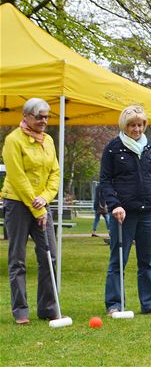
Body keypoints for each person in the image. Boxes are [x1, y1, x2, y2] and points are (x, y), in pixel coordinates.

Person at [99, 105, 151, 316]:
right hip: (123, 214)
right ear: (125, 125)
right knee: (117, 261)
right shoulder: (113, 148)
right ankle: (114, 304)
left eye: (140, 125)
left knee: (147, 261)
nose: (137, 129)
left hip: (148, 211)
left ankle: (149, 303)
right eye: (132, 125)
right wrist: (114, 205)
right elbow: (105, 180)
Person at [1, 98, 60, 325]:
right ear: (26, 116)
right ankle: (21, 311)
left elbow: (55, 173)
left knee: (50, 256)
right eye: (39, 117)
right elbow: (17, 176)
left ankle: (47, 308)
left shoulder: (49, 140)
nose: (44, 121)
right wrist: (36, 208)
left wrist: (44, 199)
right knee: (18, 259)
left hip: (41, 204)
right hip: (17, 203)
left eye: (46, 116)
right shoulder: (13, 140)